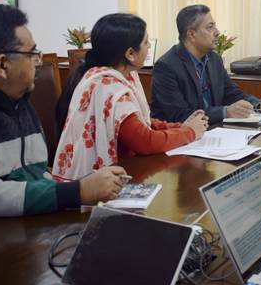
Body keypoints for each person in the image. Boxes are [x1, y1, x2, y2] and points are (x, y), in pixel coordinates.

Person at [0, 5, 124, 222]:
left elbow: (36, 176)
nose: (39, 61)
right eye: (32, 54)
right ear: (3, 65)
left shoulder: (20, 103)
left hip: (34, 225)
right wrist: (78, 191)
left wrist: (85, 185)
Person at [54, 13, 208, 179]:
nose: (149, 46)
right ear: (130, 54)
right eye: (146, 42)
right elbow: (144, 141)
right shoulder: (108, 86)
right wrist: (189, 132)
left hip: (125, 166)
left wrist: (181, 127)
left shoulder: (124, 75)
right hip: (93, 182)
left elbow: (142, 121)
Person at [150, 4, 261, 124]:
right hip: (181, 136)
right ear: (192, 34)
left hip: (213, 131)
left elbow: (231, 94)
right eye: (210, 27)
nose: (217, 32)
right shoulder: (166, 66)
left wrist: (258, 105)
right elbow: (178, 115)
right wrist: (225, 112)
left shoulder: (214, 59)